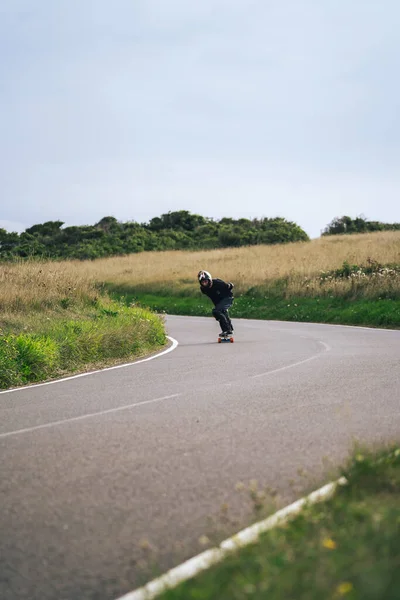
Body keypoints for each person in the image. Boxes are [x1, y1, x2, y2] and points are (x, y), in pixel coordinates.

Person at [198, 270, 234, 337]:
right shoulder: (203, 289)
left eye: (206, 281)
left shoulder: (218, 283)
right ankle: (228, 330)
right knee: (221, 313)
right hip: (218, 302)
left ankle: (227, 329)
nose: (204, 284)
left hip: (228, 298)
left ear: (209, 280)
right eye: (203, 282)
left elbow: (229, 286)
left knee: (216, 311)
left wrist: (230, 285)